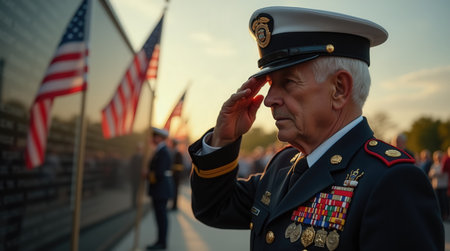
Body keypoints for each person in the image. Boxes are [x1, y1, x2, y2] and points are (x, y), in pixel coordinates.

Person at [188, 6, 444, 251]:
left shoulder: (391, 182)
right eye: (270, 84)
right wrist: (223, 139)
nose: (269, 99)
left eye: (288, 82)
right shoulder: (283, 164)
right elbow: (214, 208)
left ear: (339, 89)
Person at [146, 127, 173, 250]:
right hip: (160, 190)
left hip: (160, 190)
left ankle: (161, 243)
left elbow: (159, 173)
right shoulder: (161, 150)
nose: (152, 139)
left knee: (161, 217)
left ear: (159, 138)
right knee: (160, 217)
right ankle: (160, 241)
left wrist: (147, 174)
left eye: (154, 136)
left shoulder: (163, 151)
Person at [429, 150, 449, 220]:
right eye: (437, 157)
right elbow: (430, 174)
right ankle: (439, 215)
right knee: (438, 202)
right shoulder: (434, 165)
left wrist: (436, 174)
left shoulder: (443, 164)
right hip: (436, 186)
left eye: (439, 157)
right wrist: (436, 174)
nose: (438, 158)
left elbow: (443, 173)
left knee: (444, 202)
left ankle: (445, 215)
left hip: (443, 186)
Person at [169, 138, 184, 211]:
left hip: (176, 176)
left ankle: (174, 206)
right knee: (172, 190)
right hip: (173, 175)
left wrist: (172, 168)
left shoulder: (178, 153)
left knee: (175, 191)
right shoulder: (173, 152)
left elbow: (179, 166)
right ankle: (172, 205)